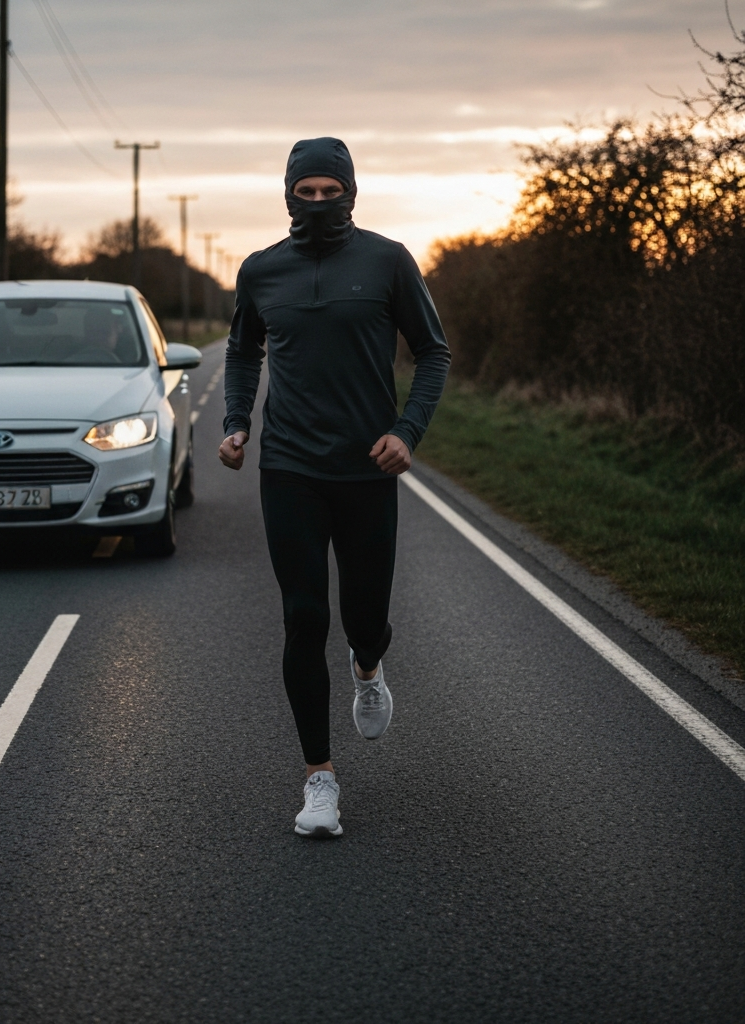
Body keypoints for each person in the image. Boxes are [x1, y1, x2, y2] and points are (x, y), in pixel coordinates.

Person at [219, 137, 451, 838]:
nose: (318, 203)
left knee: (364, 617)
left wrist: (407, 432)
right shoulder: (262, 270)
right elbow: (241, 348)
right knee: (302, 616)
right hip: (289, 468)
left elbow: (433, 352)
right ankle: (320, 780)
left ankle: (369, 664)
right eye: (305, 191)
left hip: (366, 470)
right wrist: (236, 421)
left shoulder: (387, 261)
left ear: (352, 191)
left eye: (331, 190)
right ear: (286, 193)